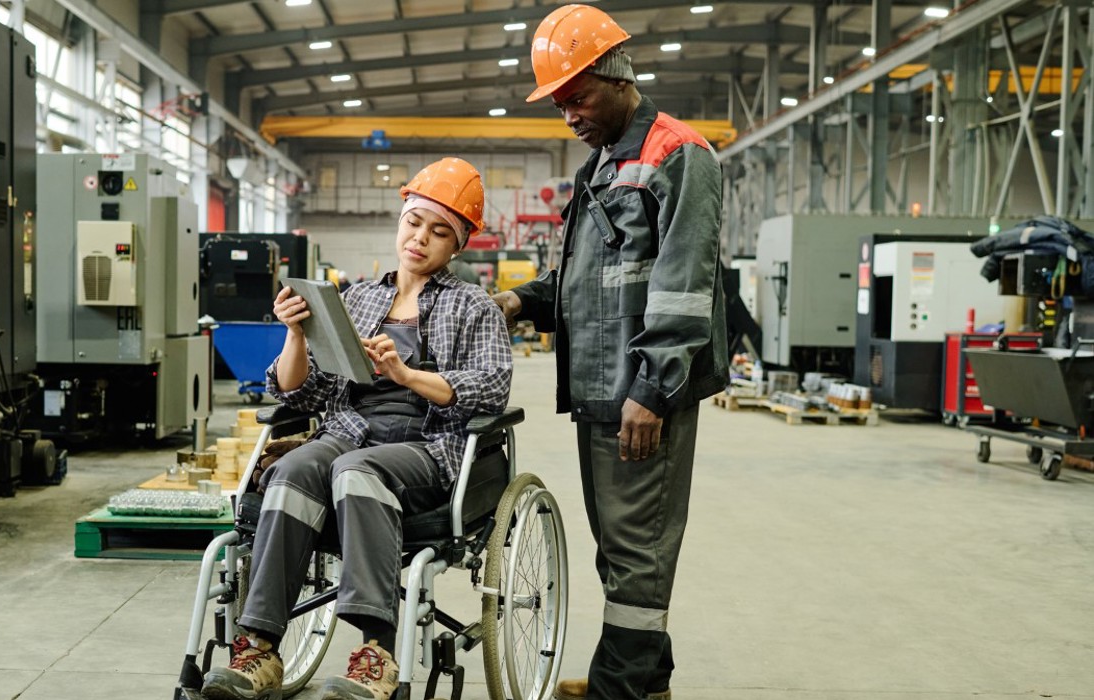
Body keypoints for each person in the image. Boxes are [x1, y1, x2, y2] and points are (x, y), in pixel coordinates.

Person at [202, 157, 513, 700]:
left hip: (426, 443)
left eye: (440, 231)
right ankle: (259, 648)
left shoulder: (473, 307)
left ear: (457, 245)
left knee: (354, 468)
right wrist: (296, 334)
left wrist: (407, 373)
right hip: (351, 431)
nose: (420, 238)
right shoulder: (359, 298)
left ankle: (377, 653)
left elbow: (490, 388)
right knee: (296, 469)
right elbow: (301, 390)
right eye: (414, 222)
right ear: (400, 222)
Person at [490, 6, 728, 700]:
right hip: (601, 388)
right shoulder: (601, 167)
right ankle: (644, 684)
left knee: (636, 554)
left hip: (640, 392)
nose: (569, 114)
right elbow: (586, 279)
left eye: (578, 96)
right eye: (558, 103)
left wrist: (653, 390)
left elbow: (684, 286)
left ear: (619, 76)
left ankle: (615, 689)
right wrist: (521, 301)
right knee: (625, 550)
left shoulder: (676, 154)